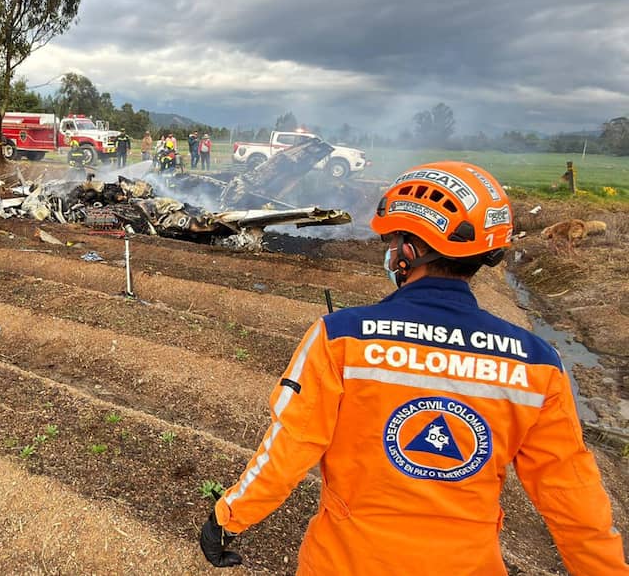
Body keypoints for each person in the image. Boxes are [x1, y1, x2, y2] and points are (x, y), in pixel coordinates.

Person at [199, 161, 629, 575]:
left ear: (410, 250)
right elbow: (574, 499)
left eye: (392, 242)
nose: (388, 253)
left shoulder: (341, 337)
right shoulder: (536, 362)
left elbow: (289, 447)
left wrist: (229, 517)